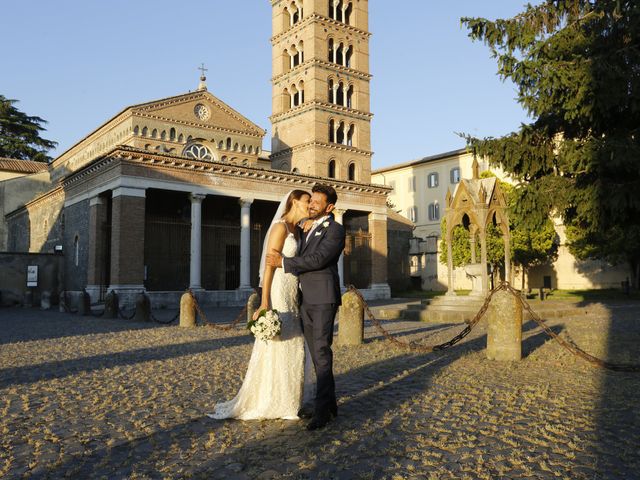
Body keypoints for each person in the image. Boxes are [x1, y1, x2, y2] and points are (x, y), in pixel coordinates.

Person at [207, 189, 314, 420]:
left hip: (293, 289)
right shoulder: (280, 227)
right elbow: (268, 266)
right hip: (278, 287)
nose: (310, 205)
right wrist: (265, 299)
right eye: (307, 201)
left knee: (295, 340)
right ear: (294, 202)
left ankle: (290, 398)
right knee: (280, 339)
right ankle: (272, 399)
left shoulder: (297, 229)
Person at [267, 184, 345, 430]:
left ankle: (322, 412)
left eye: (317, 203)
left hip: (323, 298)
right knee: (316, 353)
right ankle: (330, 403)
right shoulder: (305, 227)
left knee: (322, 353)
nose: (311, 205)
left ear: (329, 207)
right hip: (304, 299)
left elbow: (319, 259)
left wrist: (284, 262)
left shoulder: (336, 230)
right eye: (310, 201)